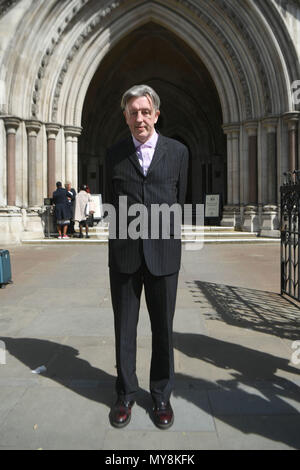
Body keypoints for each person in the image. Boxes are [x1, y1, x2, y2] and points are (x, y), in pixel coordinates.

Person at [106, 84, 189, 429]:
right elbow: (112, 202)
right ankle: (125, 393)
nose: (139, 117)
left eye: (145, 111)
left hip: (164, 254)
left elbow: (182, 199)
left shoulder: (178, 152)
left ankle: (161, 395)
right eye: (132, 112)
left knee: (163, 331)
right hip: (125, 254)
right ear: (125, 117)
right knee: (124, 328)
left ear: (156, 114)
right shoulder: (113, 153)